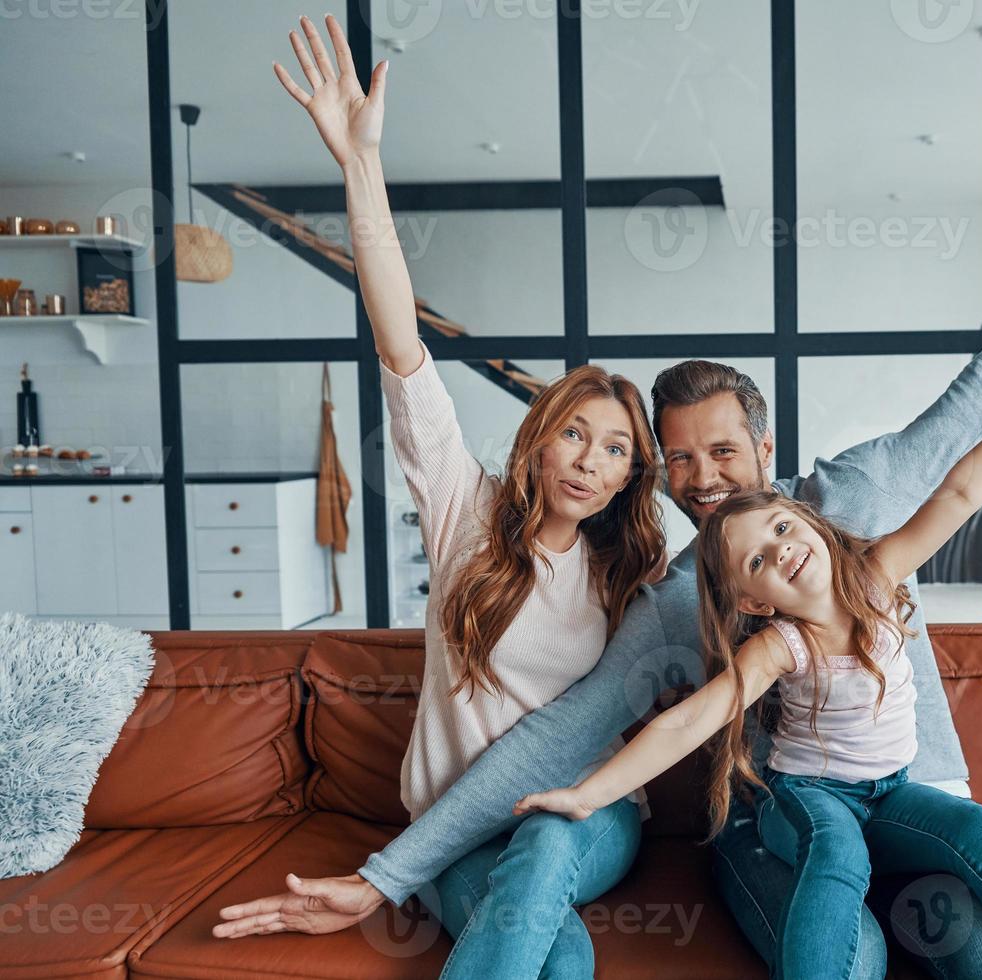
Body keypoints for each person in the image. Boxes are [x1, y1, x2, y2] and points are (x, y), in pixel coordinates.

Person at [212, 15, 982, 970]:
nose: (701, 481)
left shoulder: (857, 501)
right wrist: (388, 872)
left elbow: (975, 411)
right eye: (677, 460)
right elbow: (567, 732)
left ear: (766, 446)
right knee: (857, 958)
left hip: (917, 797)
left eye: (721, 453)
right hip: (771, 823)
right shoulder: (673, 600)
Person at [211, 15, 669, 978]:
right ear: (542, 438)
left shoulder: (631, 575)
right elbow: (402, 348)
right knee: (553, 949)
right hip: (446, 831)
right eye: (575, 432)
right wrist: (360, 166)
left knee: (547, 845)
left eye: (617, 449)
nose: (589, 460)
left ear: (632, 474)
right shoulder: (465, 509)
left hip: (588, 816)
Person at [515, 324, 982, 980]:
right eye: (758, 558)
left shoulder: (877, 573)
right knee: (838, 858)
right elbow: (692, 719)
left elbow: (961, 490)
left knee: (974, 831)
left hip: (891, 792)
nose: (780, 549)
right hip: (804, 796)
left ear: (804, 513)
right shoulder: (781, 645)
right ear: (753, 601)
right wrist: (587, 795)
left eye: (781, 527)